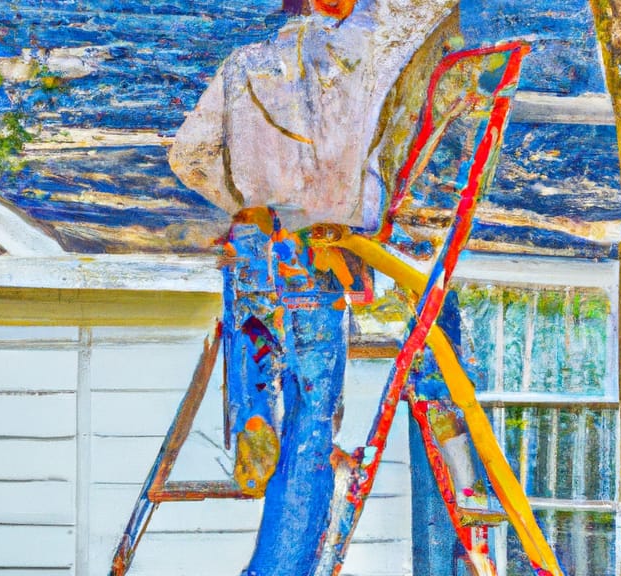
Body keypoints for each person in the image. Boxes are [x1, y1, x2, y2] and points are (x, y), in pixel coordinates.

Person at [169, 0, 484, 574]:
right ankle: (282, 564)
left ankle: (249, 414)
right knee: (313, 417)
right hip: (319, 252)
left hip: (255, 242)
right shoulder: (352, 61)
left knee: (255, 338)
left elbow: (188, 156)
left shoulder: (244, 62)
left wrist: (246, 203)